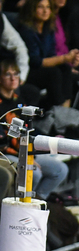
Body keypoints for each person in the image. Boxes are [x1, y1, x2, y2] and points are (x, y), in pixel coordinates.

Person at [0, 59, 68, 200]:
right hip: (6, 153)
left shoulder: (19, 101)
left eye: (16, 74)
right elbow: (3, 144)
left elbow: (27, 131)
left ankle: (37, 202)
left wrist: (46, 142)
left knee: (60, 170)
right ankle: (19, 205)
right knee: (34, 173)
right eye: (8, 74)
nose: (13, 78)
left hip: (23, 150)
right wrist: (25, 157)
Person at [18, 0, 79, 109]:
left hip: (42, 67)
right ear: (31, 8)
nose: (45, 11)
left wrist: (70, 58)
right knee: (53, 73)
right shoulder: (26, 30)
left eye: (48, 7)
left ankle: (65, 109)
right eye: (40, 7)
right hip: (28, 70)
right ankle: (57, 107)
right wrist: (64, 58)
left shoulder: (48, 29)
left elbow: (51, 54)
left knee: (65, 68)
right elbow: (35, 61)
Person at [0, 0, 31, 85]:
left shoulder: (1, 19)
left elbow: (19, 46)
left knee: (31, 93)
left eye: (0, 1)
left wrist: (20, 77)